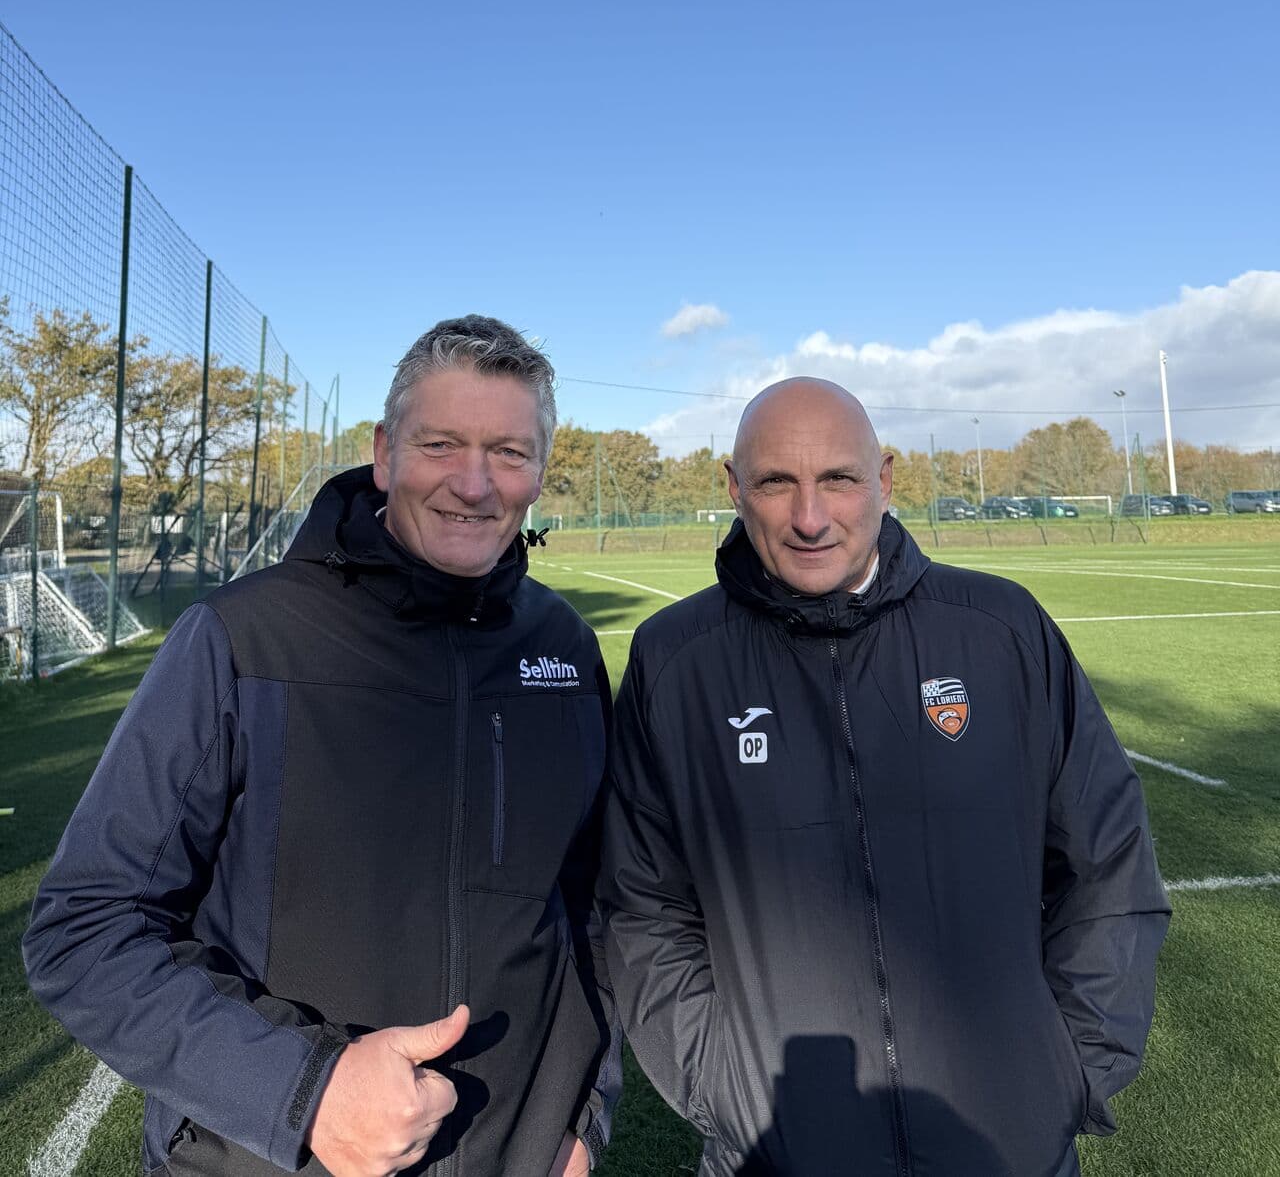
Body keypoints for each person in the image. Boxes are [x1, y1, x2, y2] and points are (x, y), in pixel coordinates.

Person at [26, 316, 619, 1177]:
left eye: (510, 452)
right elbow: (83, 927)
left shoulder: (564, 650)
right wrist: (304, 1093)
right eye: (440, 443)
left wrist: (584, 1117)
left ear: (540, 470)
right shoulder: (241, 640)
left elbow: (596, 907)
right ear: (384, 454)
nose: (474, 482)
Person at [601, 377, 1169, 1177]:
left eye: (838, 477)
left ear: (886, 479)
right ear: (733, 488)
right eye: (775, 482)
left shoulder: (1001, 631)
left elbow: (1107, 861)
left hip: (1008, 1149)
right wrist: (721, 1087)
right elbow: (641, 906)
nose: (809, 516)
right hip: (775, 1156)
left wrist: (1069, 1068)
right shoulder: (674, 662)